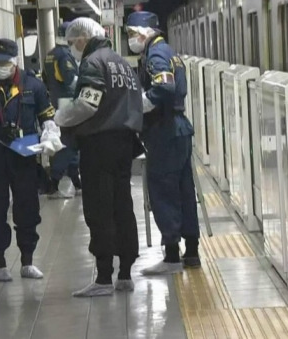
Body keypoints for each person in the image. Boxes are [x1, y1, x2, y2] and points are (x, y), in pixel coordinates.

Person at [55, 17, 144, 297]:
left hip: (99, 145)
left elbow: (87, 104)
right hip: (124, 144)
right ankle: (125, 274)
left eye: (72, 42)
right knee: (122, 206)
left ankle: (104, 277)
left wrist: (60, 118)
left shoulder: (93, 62)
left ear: (84, 38)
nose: (71, 48)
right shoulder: (121, 63)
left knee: (99, 207)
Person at [0, 38, 63, 282]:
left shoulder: (33, 85)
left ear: (15, 60)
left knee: (27, 209)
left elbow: (48, 119)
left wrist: (50, 141)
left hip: (25, 157)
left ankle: (27, 261)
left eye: (4, 61)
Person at [126, 11, 201, 275]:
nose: (130, 39)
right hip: (178, 128)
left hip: (164, 131)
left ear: (143, 32)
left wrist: (140, 105)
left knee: (163, 192)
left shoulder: (156, 54)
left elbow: (164, 89)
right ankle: (192, 251)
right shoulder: (169, 51)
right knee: (184, 191)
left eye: (131, 34)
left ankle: (171, 255)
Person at [43, 21, 82, 198]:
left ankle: (77, 184)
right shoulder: (65, 55)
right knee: (68, 144)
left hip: (57, 101)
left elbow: (46, 79)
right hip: (67, 102)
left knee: (71, 144)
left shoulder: (50, 54)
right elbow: (71, 80)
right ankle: (53, 184)